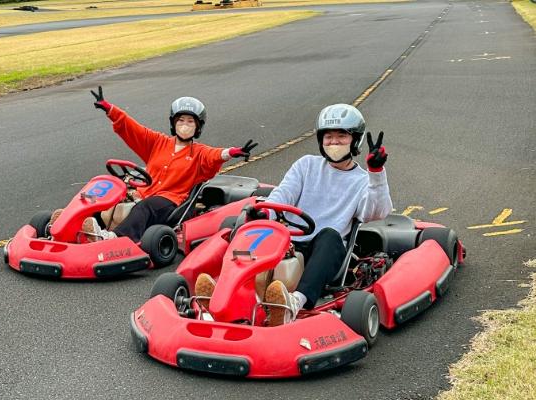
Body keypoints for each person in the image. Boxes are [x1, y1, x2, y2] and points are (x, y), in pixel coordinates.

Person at [195, 104, 392, 327]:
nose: (334, 142)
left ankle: (294, 304)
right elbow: (283, 194)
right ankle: (226, 296)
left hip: (325, 251)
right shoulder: (306, 165)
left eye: (341, 136)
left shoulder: (362, 180)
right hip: (289, 240)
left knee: (329, 235)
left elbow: (377, 212)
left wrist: (377, 173)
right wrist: (265, 210)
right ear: (320, 140)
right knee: (250, 227)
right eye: (328, 136)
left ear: (354, 140)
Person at [53, 86, 258, 242]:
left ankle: (113, 239)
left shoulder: (199, 153)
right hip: (143, 192)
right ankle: (75, 226)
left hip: (169, 202)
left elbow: (215, 155)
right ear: (173, 123)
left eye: (190, 122)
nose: (184, 126)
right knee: (109, 195)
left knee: (145, 207)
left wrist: (232, 152)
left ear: (197, 127)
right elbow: (133, 128)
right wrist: (110, 109)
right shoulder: (157, 142)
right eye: (181, 121)